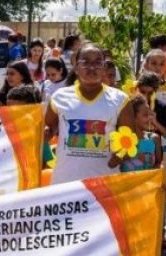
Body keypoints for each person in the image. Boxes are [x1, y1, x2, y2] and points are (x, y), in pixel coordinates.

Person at [45, 44, 134, 185]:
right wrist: (42, 132)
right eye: (85, 62)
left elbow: (131, 140)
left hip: (104, 187)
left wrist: (120, 155)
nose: (92, 67)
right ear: (76, 67)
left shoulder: (120, 100)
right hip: (65, 185)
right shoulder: (59, 97)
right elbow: (48, 130)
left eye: (98, 63)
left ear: (104, 67)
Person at [107, 95, 161, 172]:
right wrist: (128, 153)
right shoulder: (120, 139)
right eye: (145, 115)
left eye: (151, 114)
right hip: (127, 183)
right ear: (133, 117)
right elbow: (111, 164)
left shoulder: (154, 138)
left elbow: (158, 163)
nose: (150, 118)